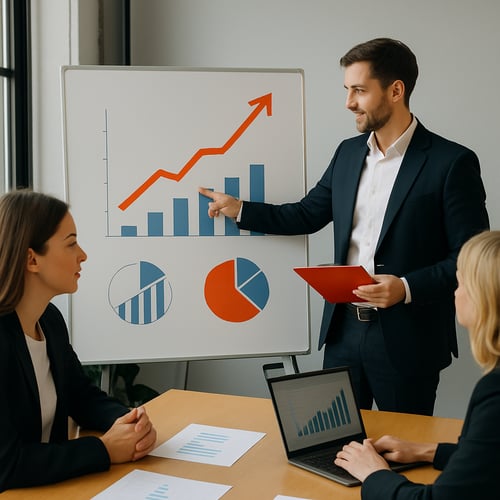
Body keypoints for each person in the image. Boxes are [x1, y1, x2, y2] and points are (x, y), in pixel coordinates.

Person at [198, 37, 489, 415]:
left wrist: (405, 288)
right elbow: (306, 213)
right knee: (333, 448)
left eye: (359, 90)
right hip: (342, 334)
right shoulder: (347, 153)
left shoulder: (451, 162)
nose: (348, 102)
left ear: (396, 90)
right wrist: (241, 210)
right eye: (347, 89)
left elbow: (472, 260)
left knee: (401, 453)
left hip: (408, 340)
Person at [0, 190, 157, 492]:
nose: (82, 255)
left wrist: (130, 422)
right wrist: (106, 450)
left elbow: (80, 395)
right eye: (71, 243)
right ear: (32, 258)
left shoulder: (49, 320)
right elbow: (7, 465)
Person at [334, 230, 500, 499]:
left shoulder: (495, 392)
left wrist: (373, 473)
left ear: (485, 298)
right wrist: (426, 451)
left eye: (460, 285)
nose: (455, 295)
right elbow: (491, 454)